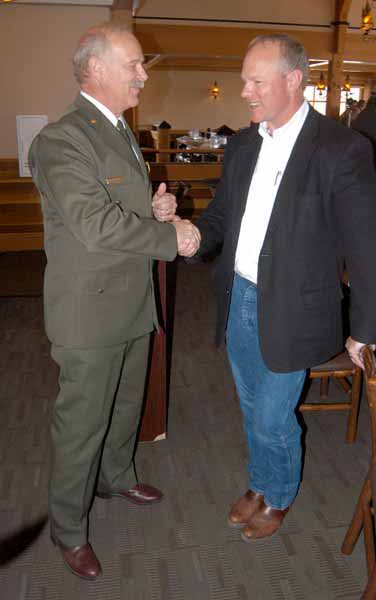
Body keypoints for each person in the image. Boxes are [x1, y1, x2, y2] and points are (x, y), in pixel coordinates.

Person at [193, 34, 376, 543]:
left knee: (272, 416)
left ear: (293, 80)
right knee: (249, 406)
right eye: (244, 81)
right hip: (239, 298)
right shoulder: (242, 144)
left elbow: (369, 246)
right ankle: (260, 483)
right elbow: (220, 218)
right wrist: (188, 233)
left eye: (256, 81)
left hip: (295, 310)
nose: (245, 92)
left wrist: (365, 329)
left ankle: (277, 493)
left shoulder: (341, 148)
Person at [29, 22, 200, 580]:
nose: (143, 75)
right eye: (134, 65)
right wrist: (168, 237)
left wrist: (153, 210)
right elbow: (92, 222)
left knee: (127, 406)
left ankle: (117, 475)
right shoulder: (61, 138)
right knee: (82, 423)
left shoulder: (122, 131)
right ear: (96, 69)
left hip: (130, 300)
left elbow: (119, 205)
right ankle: (69, 528)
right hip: (90, 310)